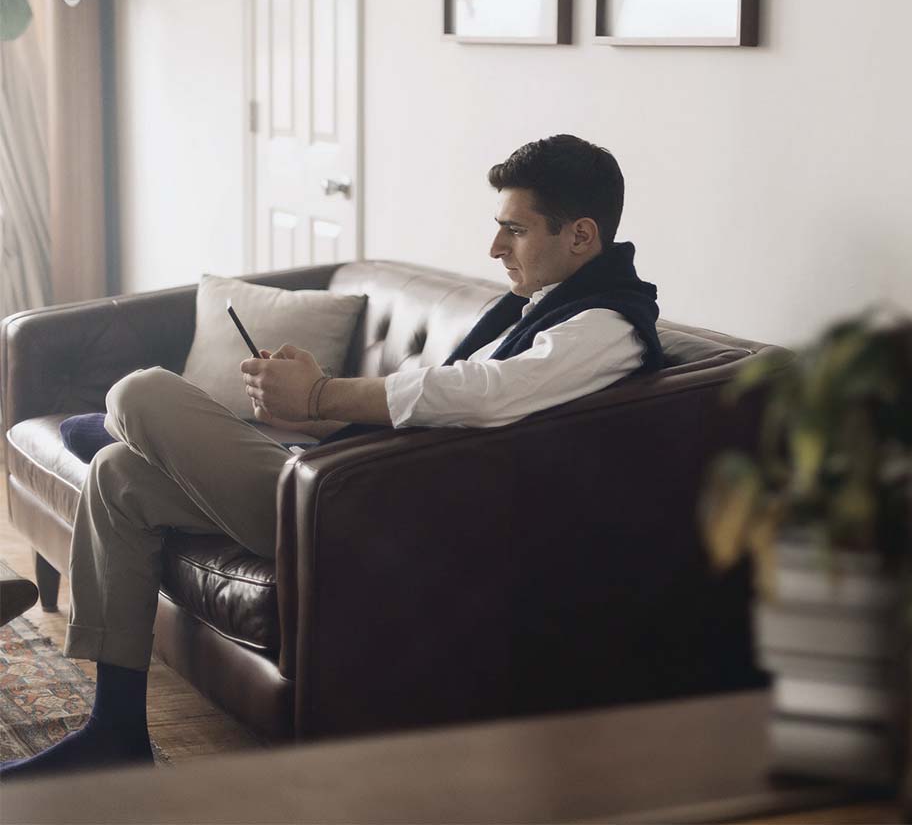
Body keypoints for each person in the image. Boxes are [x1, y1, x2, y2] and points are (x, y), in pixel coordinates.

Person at [0, 134, 663, 779]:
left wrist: (321, 394)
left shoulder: (606, 327)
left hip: (374, 523)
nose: (495, 247)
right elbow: (438, 409)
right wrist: (318, 411)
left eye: (515, 231)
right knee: (119, 476)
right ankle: (114, 732)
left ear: (580, 235)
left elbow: (484, 394)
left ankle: (155, 437)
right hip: (350, 485)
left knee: (138, 393)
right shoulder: (540, 308)